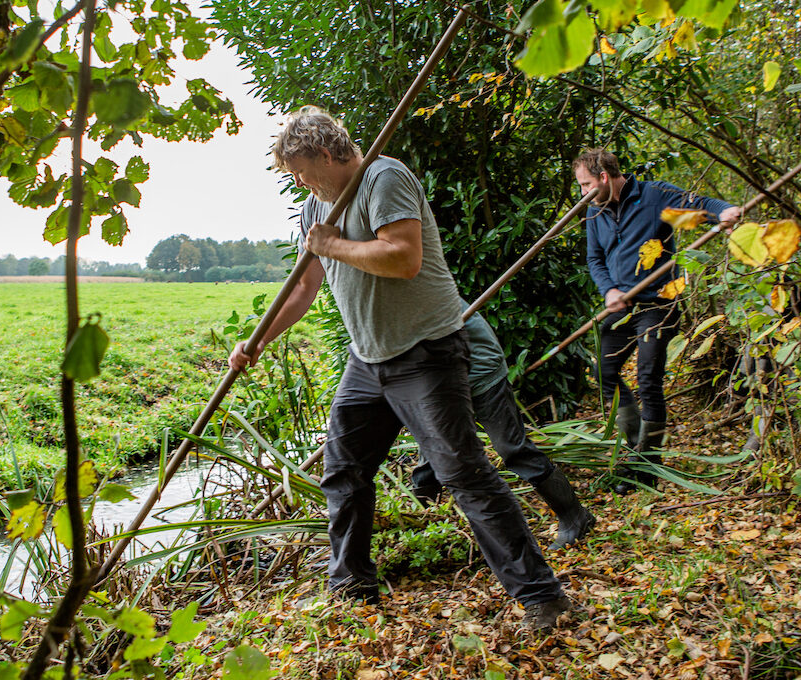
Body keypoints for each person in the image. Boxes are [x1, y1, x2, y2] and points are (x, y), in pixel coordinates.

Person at [230, 107, 571, 633]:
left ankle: (542, 596)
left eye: (300, 169)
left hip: (425, 353)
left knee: (464, 475)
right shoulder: (312, 207)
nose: (298, 181)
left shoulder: (383, 177)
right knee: (343, 472)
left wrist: (332, 243)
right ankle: (351, 583)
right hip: (367, 360)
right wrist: (257, 342)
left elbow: (402, 257)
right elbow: (304, 285)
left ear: (325, 153)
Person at [572, 149, 741, 492]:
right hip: (620, 309)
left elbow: (701, 205)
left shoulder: (653, 197)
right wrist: (608, 290)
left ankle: (647, 467)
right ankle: (637, 450)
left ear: (603, 177)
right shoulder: (594, 211)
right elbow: (595, 258)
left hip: (658, 305)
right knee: (603, 372)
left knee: (648, 380)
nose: (582, 193)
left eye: (585, 184)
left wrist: (725, 212)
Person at [410, 303, 596, 549]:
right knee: (429, 461)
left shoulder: (416, 283)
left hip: (479, 370)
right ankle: (421, 533)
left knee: (513, 449)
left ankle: (575, 517)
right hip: (441, 384)